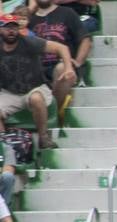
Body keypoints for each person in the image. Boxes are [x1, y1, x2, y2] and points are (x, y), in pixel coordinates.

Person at [0, 12, 73, 149]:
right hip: (9, 92)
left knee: (36, 99)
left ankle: (43, 137)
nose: (11, 31)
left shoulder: (29, 42)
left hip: (35, 87)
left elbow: (62, 48)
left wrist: (69, 68)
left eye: (14, 28)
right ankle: (3, 146)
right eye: (7, 27)